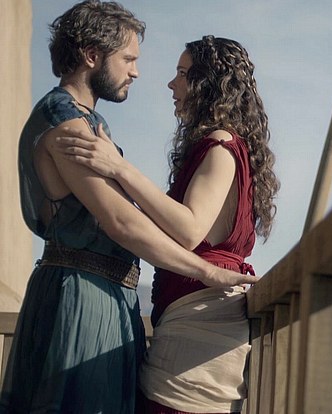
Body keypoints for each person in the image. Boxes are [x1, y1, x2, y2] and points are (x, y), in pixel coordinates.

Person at [0, 2, 258, 413]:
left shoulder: (92, 125)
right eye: (128, 58)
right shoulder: (65, 121)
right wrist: (207, 271)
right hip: (81, 294)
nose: (136, 71)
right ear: (91, 55)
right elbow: (121, 221)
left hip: (109, 296)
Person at [55, 35, 279, 414]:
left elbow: (190, 230)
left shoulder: (220, 145)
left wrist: (119, 168)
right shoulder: (226, 145)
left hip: (199, 329)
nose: (171, 84)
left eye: (182, 73)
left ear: (209, 83)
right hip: (196, 321)